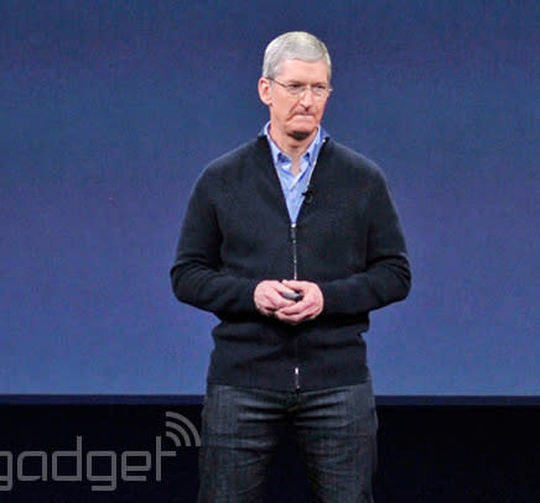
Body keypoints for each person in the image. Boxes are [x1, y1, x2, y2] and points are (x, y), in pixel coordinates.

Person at [171, 31, 411, 503]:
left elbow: (394, 273)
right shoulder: (221, 179)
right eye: (295, 86)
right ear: (266, 90)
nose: (307, 100)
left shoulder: (362, 179)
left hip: (337, 385)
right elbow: (187, 274)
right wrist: (252, 294)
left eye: (318, 88)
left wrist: (328, 298)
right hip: (243, 383)